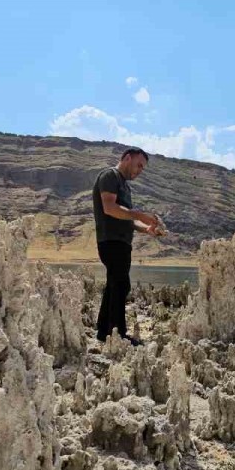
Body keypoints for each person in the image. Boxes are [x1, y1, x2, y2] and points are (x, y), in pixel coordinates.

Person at [92, 147, 166, 345]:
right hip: (111, 241)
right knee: (122, 284)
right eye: (139, 165)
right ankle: (118, 334)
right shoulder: (110, 176)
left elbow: (127, 220)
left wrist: (147, 229)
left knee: (113, 285)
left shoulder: (125, 186)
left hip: (122, 242)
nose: (140, 170)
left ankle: (103, 332)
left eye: (143, 168)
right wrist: (139, 214)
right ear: (126, 158)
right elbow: (110, 208)